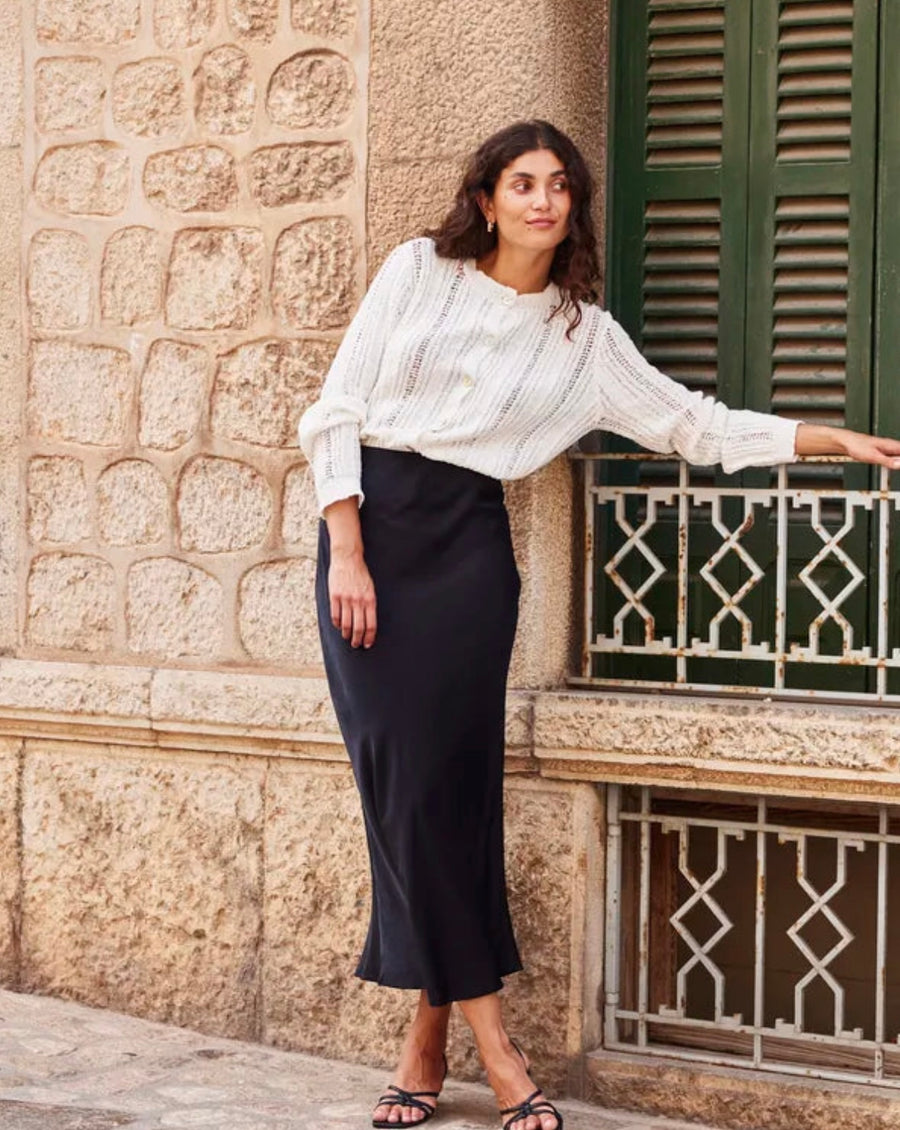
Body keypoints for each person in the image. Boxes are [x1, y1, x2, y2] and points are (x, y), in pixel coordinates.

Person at [298, 120, 900, 1130]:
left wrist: (825, 438)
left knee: (451, 798)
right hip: (372, 543)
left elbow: (695, 424)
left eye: (559, 185)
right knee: (405, 795)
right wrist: (347, 547)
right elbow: (336, 410)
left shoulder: (584, 338)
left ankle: (430, 1043)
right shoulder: (417, 271)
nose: (542, 200)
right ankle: (497, 1052)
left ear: (573, 205)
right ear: (487, 198)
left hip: (468, 558)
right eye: (522, 182)